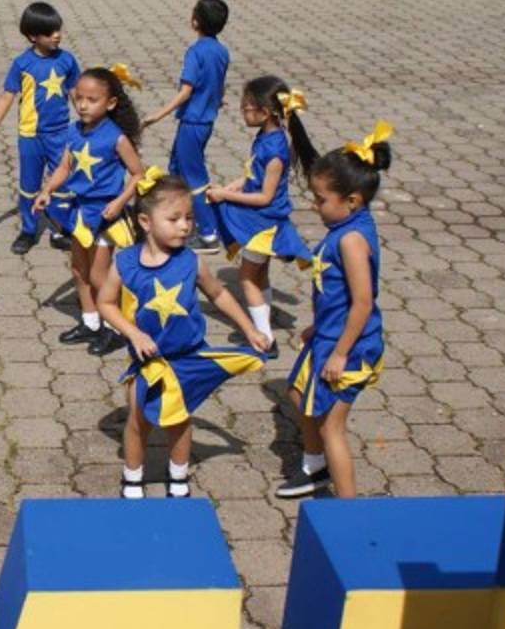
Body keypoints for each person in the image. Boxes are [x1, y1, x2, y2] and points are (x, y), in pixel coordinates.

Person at [97, 174, 269, 499]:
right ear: (146, 221)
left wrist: (249, 328)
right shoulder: (124, 263)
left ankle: (178, 476)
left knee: (180, 420)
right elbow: (105, 303)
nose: (184, 226)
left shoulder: (192, 261)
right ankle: (132, 477)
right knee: (137, 420)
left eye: (189, 217)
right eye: (174, 218)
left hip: (188, 358)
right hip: (148, 362)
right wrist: (132, 333)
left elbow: (218, 295)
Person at [277, 121, 391, 500]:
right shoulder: (345, 228)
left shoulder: (353, 240)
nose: (316, 205)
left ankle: (348, 511)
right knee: (297, 395)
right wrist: (316, 327)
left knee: (332, 428)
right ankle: (315, 467)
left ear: (352, 201)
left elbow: (362, 301)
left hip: (350, 347)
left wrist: (341, 352)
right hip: (328, 335)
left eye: (322, 199)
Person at [35, 66, 146, 356]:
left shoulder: (116, 138)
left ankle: (117, 328)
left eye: (92, 99)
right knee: (78, 268)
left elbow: (138, 174)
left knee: (100, 276)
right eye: (79, 98)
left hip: (104, 214)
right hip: (79, 210)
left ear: (110, 104)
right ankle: (90, 321)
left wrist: (120, 202)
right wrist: (47, 190)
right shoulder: (74, 131)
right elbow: (64, 167)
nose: (82, 105)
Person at [207, 77, 317, 359]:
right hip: (261, 220)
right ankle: (264, 325)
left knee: (246, 279)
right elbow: (251, 177)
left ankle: (263, 338)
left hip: (262, 223)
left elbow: (265, 197)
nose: (242, 111)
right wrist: (230, 187)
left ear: (265, 112)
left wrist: (226, 197)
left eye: (246, 107)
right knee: (260, 275)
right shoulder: (269, 137)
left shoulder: (275, 150)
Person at [0, 2, 80, 255]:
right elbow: (7, 97)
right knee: (29, 185)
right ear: (33, 36)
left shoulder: (67, 60)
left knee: (62, 183)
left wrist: (89, 124)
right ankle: (28, 229)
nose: (57, 35)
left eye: (58, 30)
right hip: (30, 136)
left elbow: (77, 93)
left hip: (61, 134)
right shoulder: (22, 64)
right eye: (49, 32)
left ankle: (60, 228)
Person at [143, 0, 228, 255]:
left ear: (195, 21)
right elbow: (219, 84)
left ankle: (208, 232)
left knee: (194, 178)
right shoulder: (221, 51)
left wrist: (157, 115)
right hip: (206, 120)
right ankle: (181, 217)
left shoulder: (196, 52)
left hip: (193, 120)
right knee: (177, 169)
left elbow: (186, 91)